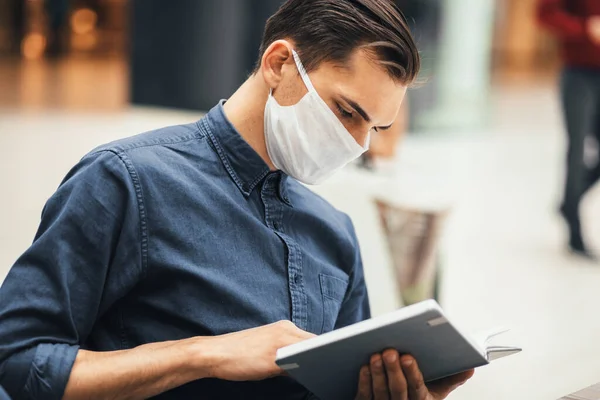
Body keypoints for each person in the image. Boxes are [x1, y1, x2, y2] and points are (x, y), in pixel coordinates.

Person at [0, 1, 474, 399]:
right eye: (347, 112)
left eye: (374, 127)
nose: (358, 143)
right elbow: (17, 361)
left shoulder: (334, 234)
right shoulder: (128, 181)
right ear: (279, 64)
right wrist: (204, 354)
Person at [538, 0, 600, 259]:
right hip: (578, 74)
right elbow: (545, 15)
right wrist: (585, 27)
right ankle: (575, 233)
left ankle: (569, 202)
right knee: (577, 150)